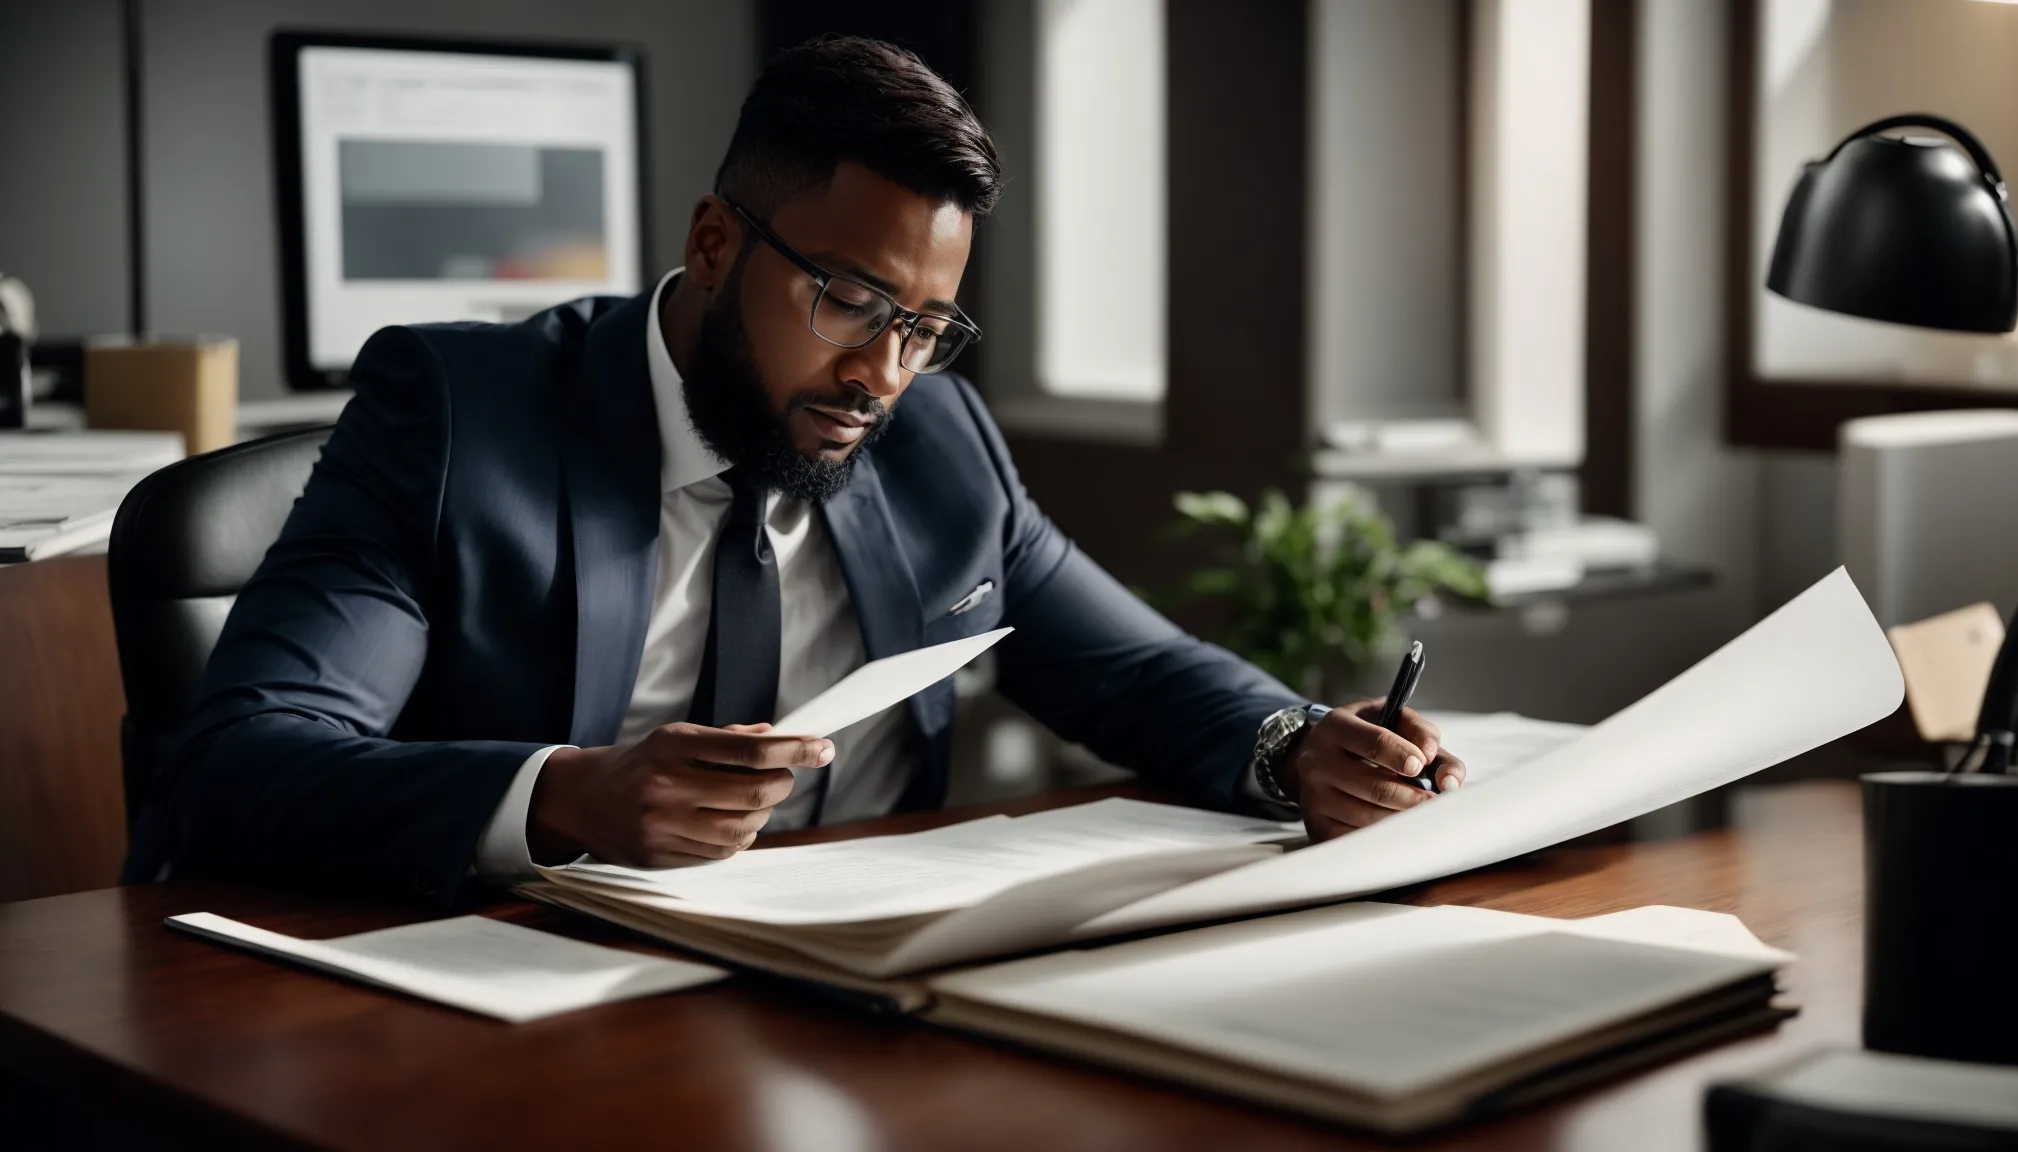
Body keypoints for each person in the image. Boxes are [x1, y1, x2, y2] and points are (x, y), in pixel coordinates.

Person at [142, 36, 1465, 900]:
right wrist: (571, 793)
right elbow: (243, 768)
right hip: (510, 1008)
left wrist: (1301, 750)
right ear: (715, 243)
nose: (881, 376)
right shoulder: (455, 417)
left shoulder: (940, 440)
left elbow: (1132, 669)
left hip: (855, 1002)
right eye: (846, 299)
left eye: (925, 327)